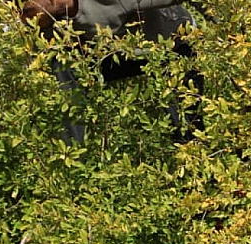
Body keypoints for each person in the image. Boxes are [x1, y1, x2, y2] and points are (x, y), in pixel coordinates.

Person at [18, 0, 204, 143]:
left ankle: (196, 175)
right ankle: (75, 153)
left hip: (170, 42)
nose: (28, 17)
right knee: (61, 62)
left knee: (185, 120)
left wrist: (225, 28)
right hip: (119, 52)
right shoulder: (46, 26)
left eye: (29, 9)